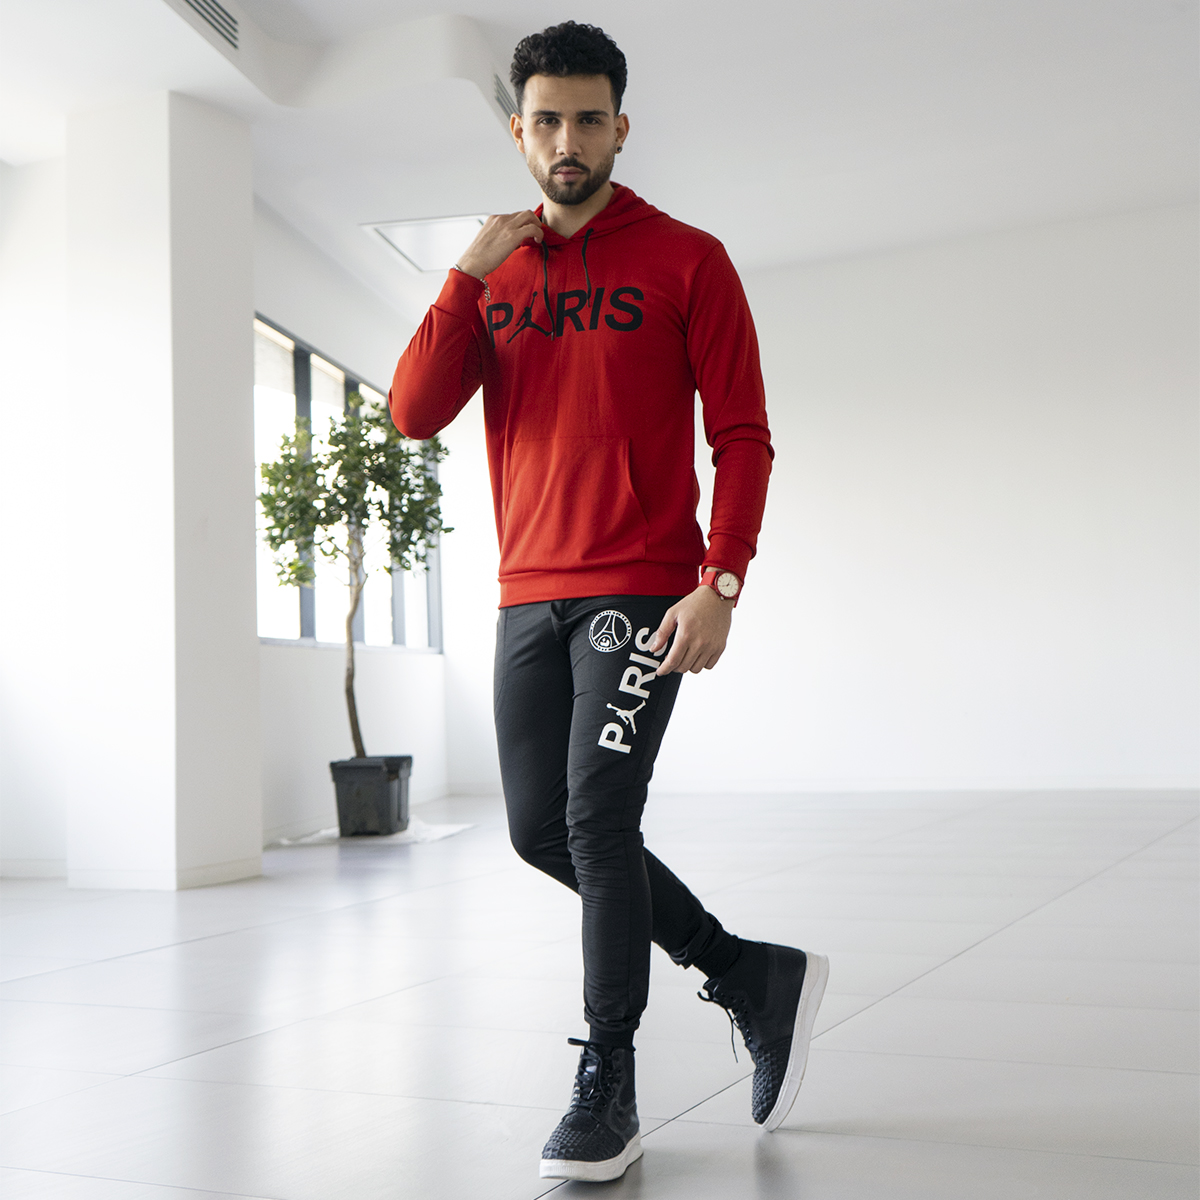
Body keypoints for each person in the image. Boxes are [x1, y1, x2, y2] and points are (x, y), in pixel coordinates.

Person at [390, 20, 828, 1184]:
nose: (568, 140)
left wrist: (720, 580)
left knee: (595, 820)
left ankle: (610, 1081)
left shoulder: (688, 259)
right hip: (525, 590)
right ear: (519, 132)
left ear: (621, 128)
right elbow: (414, 413)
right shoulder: (493, 276)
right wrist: (463, 277)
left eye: (589, 119)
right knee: (541, 830)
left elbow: (743, 435)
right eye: (547, 120)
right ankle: (744, 971)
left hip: (640, 583)